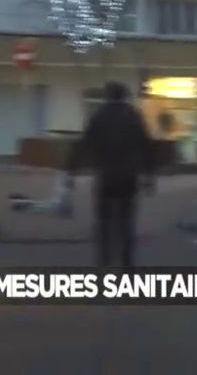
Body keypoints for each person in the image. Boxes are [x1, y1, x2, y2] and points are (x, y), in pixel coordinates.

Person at [66, 82, 156, 268]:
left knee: (103, 220)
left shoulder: (98, 116)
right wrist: (149, 175)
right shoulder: (133, 116)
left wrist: (71, 171)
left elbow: (84, 144)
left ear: (107, 95)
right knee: (127, 221)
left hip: (105, 176)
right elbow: (146, 146)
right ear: (124, 96)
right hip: (128, 176)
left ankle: (104, 260)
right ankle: (127, 263)